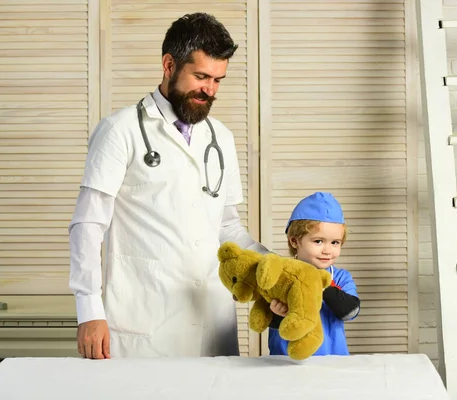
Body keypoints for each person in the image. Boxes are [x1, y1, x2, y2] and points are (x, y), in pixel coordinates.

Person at [68, 13, 269, 360]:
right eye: (201, 76)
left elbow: (227, 228)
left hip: (212, 321)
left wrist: (275, 268)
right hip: (147, 326)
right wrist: (89, 309)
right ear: (169, 64)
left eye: (218, 80)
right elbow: (87, 225)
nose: (210, 90)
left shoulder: (220, 137)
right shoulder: (120, 131)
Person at [268, 192, 360, 356]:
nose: (327, 250)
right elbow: (266, 321)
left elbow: (350, 312)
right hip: (286, 363)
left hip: (332, 361)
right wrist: (276, 314)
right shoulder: (280, 275)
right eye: (318, 241)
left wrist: (320, 285)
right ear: (294, 241)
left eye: (335, 243)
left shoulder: (340, 278)